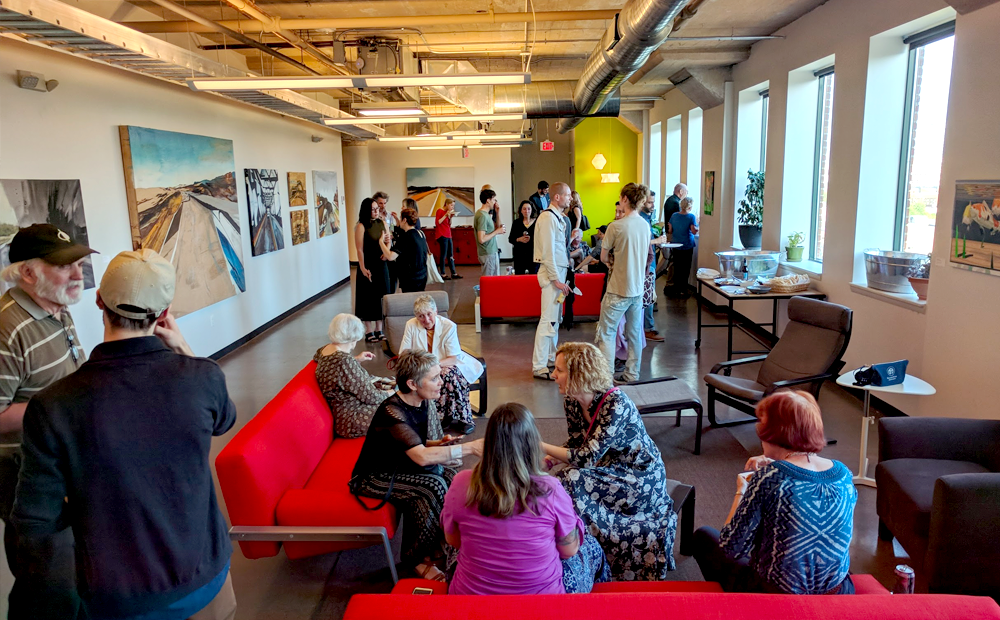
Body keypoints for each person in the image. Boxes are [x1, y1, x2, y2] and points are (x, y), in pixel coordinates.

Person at [12, 248, 238, 620]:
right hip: (207, 580)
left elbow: (36, 519)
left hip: (121, 598)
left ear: (99, 300)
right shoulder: (202, 377)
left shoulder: (53, 405)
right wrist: (184, 349)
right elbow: (224, 420)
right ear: (164, 314)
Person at [0, 224, 95, 617]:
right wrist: (63, 404)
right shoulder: (7, 329)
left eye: (79, 263)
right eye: (64, 266)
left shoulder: (57, 306)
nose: (78, 273)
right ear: (28, 272)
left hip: (61, 462)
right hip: (23, 474)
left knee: (72, 573)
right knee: (49, 582)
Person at [693, 391, 857, 595]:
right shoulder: (843, 474)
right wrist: (778, 462)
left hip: (777, 596)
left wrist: (741, 491)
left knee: (703, 537)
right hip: (838, 591)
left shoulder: (770, 479)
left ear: (773, 432)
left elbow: (731, 547)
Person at [442, 403, 610, 595]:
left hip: (471, 599)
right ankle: (601, 603)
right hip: (541, 602)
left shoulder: (460, 482)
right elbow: (569, 551)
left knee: (456, 551)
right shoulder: (551, 489)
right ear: (532, 443)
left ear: (488, 442)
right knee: (591, 546)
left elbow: (453, 540)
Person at [541, 343, 676, 581]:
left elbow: (587, 457)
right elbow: (578, 442)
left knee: (569, 479)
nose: (553, 375)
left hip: (640, 477)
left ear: (579, 374)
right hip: (609, 468)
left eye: (559, 370)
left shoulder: (616, 403)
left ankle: (579, 551)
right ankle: (576, 547)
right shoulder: (572, 401)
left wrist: (539, 445)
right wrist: (550, 461)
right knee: (564, 479)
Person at [349, 351, 483, 581]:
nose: (440, 382)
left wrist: (438, 444)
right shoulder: (392, 411)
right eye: (434, 378)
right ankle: (416, 559)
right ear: (412, 384)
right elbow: (420, 457)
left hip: (399, 464)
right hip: (373, 476)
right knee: (432, 485)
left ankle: (445, 541)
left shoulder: (419, 401)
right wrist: (469, 448)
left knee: (450, 477)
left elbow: (414, 444)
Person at [398, 295, 483, 436]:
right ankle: (447, 416)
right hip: (422, 366)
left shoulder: (448, 326)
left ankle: (459, 418)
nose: (426, 320)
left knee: (448, 376)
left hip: (447, 362)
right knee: (435, 377)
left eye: (429, 314)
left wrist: (433, 365)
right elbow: (404, 352)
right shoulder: (411, 325)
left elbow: (453, 358)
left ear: (436, 311)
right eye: (421, 316)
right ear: (416, 317)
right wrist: (421, 364)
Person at [593, 183, 650, 382]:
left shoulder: (615, 226)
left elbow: (602, 257)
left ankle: (606, 376)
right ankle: (632, 374)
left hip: (618, 288)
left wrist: (611, 262)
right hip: (637, 289)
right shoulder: (645, 225)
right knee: (634, 333)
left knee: (607, 332)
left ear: (625, 199)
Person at [315, 313, 394, 438]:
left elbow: (335, 370)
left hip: (344, 413)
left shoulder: (324, 350)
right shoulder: (344, 361)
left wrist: (356, 359)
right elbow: (371, 397)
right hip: (352, 418)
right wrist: (392, 392)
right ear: (353, 336)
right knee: (401, 405)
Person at [531, 182, 571, 380]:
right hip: (551, 277)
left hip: (558, 274)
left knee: (554, 322)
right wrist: (556, 280)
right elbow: (548, 253)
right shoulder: (547, 218)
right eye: (567, 195)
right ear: (557, 197)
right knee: (547, 321)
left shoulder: (556, 218)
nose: (570, 199)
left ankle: (548, 358)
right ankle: (539, 366)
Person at [354, 198, 390, 342]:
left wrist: (387, 252)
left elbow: (388, 240)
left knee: (381, 294)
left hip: (381, 264)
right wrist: (363, 267)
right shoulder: (361, 226)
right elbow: (359, 249)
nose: (376, 211)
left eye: (377, 208)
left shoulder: (382, 223)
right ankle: (369, 330)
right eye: (373, 209)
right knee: (368, 296)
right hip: (368, 264)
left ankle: (379, 328)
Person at [382, 204, 429, 293]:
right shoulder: (420, 233)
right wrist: (396, 220)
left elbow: (391, 256)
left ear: (404, 220)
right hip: (422, 274)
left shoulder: (406, 236)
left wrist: (381, 242)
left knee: (410, 299)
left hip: (410, 277)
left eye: (400, 218)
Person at [639, 191, 664, 342]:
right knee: (647, 296)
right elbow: (639, 242)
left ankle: (646, 327)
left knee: (649, 295)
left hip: (649, 261)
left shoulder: (647, 218)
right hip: (646, 263)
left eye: (653, 202)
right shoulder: (641, 220)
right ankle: (648, 328)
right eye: (650, 202)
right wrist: (657, 241)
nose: (653, 205)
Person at [666, 196, 699, 298]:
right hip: (687, 244)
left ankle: (676, 288)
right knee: (685, 268)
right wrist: (698, 225)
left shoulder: (674, 215)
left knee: (677, 267)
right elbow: (693, 231)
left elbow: (670, 230)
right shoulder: (691, 217)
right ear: (690, 206)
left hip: (676, 244)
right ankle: (683, 290)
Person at [662, 183, 688, 293]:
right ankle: (670, 284)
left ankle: (670, 283)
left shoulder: (669, 200)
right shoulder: (675, 203)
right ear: (681, 192)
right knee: (673, 259)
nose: (686, 194)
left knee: (671, 259)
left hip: (670, 233)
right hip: (673, 235)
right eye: (686, 192)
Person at [474, 189, 505, 277]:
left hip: (491, 252)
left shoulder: (485, 215)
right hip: (488, 253)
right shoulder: (482, 216)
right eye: (494, 199)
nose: (495, 202)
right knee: (489, 280)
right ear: (488, 200)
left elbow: (498, 227)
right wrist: (497, 232)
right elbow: (481, 239)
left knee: (495, 280)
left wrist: (497, 212)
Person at [374, 191, 398, 294]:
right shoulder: (374, 216)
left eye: (384, 203)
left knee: (392, 274)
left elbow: (392, 229)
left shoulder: (390, 215)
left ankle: (391, 293)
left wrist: (391, 235)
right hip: (378, 248)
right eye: (380, 203)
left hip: (389, 247)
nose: (383, 206)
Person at [434, 198, 461, 280]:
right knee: (443, 254)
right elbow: (438, 222)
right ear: (447, 204)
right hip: (442, 234)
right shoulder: (440, 211)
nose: (452, 207)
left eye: (453, 205)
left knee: (450, 254)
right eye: (451, 205)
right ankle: (442, 273)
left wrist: (450, 217)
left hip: (448, 234)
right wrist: (445, 215)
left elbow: (449, 224)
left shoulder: (448, 212)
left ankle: (453, 273)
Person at [509, 200, 538, 275]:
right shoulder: (516, 223)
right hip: (520, 256)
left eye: (528, 209)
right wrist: (519, 239)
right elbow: (511, 239)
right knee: (519, 278)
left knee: (534, 277)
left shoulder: (537, 222)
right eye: (524, 209)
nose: (526, 211)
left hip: (533, 255)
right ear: (521, 210)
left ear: (532, 210)